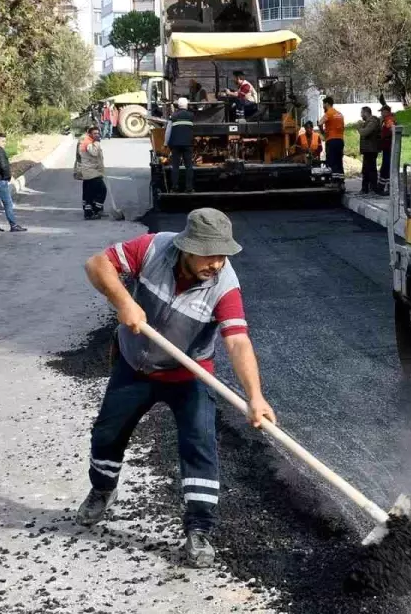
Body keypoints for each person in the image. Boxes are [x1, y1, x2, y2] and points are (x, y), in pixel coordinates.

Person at [76, 208, 276, 568]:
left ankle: (198, 529)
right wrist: (124, 302)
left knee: (199, 444)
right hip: (134, 365)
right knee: (108, 432)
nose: (217, 263)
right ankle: (103, 490)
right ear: (186, 247)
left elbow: (238, 341)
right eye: (209, 254)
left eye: (223, 255)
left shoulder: (224, 285)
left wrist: (255, 396)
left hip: (190, 374)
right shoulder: (152, 249)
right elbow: (96, 264)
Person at [166, 97, 196, 193]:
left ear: (178, 105)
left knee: (175, 166)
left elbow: (168, 131)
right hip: (187, 144)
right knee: (189, 166)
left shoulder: (173, 116)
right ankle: (189, 188)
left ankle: (174, 188)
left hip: (175, 144)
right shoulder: (191, 116)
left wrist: (165, 143)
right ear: (187, 105)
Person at [77, 127, 107, 219]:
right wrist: (97, 142)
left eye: (98, 133)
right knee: (102, 190)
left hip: (90, 171)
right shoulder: (88, 142)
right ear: (89, 134)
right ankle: (96, 210)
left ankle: (89, 212)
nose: (97, 135)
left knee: (89, 193)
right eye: (95, 133)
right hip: (92, 172)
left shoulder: (86, 141)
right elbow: (94, 153)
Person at [358, 106, 382, 195]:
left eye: (361, 113)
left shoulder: (373, 122)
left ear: (366, 113)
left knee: (371, 169)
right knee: (365, 170)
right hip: (367, 150)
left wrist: (359, 127)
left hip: (371, 149)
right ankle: (365, 189)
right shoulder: (368, 122)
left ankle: (373, 189)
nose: (361, 115)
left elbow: (365, 132)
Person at [320, 96, 345, 179]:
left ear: (327, 104)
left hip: (331, 140)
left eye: (323, 104)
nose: (323, 106)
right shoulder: (340, 114)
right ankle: (340, 181)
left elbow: (320, 123)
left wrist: (323, 133)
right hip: (340, 140)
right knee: (339, 161)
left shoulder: (329, 113)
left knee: (332, 161)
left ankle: (333, 181)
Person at [377, 105, 395, 195]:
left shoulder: (389, 120)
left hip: (389, 147)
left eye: (382, 111)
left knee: (386, 167)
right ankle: (382, 186)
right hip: (386, 147)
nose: (381, 113)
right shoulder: (385, 120)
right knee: (385, 166)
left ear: (387, 111)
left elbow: (392, 130)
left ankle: (385, 187)